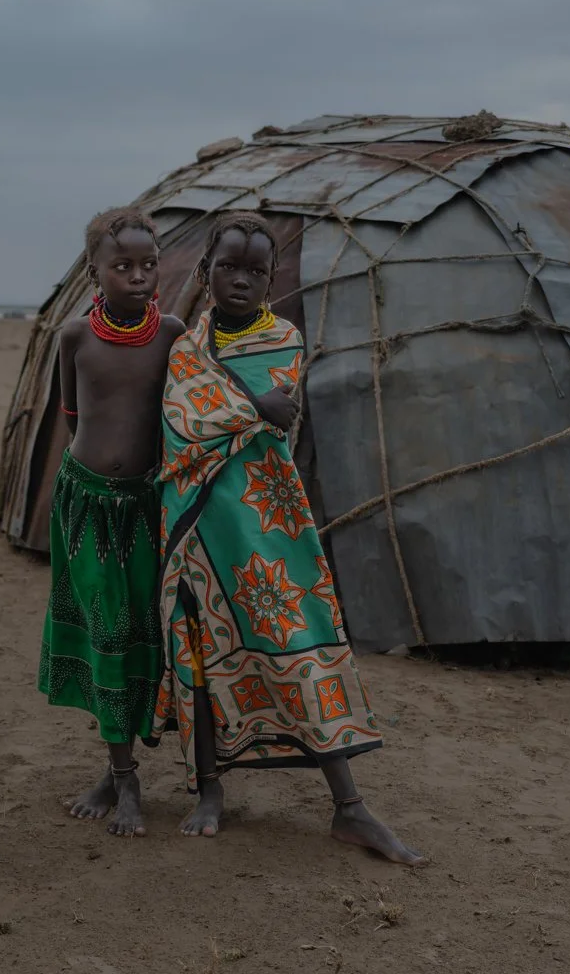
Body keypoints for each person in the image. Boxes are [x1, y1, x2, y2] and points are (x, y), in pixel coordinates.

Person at [155, 211, 426, 866]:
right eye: (228, 267)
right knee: (199, 654)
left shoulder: (282, 339)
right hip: (196, 527)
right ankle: (209, 789)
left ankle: (350, 806)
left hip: (266, 529)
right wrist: (251, 411)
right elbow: (181, 424)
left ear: (271, 278)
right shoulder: (185, 351)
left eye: (254, 270)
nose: (240, 280)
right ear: (204, 271)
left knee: (296, 645)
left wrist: (245, 413)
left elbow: (267, 411)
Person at [38, 206, 185, 838]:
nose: (137, 276)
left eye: (147, 265)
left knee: (142, 633)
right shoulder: (74, 337)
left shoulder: (172, 334)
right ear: (94, 271)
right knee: (105, 630)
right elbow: (72, 416)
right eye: (121, 266)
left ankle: (115, 764)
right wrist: (97, 474)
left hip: (146, 506)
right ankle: (124, 778)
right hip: (88, 505)